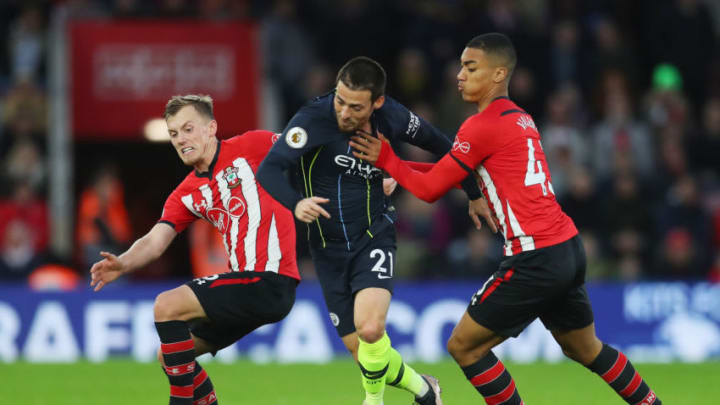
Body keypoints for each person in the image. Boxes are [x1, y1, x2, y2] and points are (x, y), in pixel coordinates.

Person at [350, 33, 662, 405]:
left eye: (470, 67)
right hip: (566, 247)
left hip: (535, 257)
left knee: (464, 346)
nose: (459, 76)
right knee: (586, 349)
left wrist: (388, 159)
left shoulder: (480, 126)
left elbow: (431, 189)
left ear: (499, 74)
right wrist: (396, 170)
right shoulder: (520, 119)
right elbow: (454, 170)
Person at [257, 56, 494, 405]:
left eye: (355, 106)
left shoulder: (393, 117)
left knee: (370, 330)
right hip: (326, 249)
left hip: (373, 235)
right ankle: (425, 389)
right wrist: (295, 203)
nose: (344, 112)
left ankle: (373, 401)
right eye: (340, 100)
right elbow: (270, 170)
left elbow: (445, 146)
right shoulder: (311, 120)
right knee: (364, 353)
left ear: (377, 102)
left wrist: (473, 194)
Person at [89, 95, 300, 405]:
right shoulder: (186, 192)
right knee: (170, 355)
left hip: (270, 277)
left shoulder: (252, 146)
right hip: (246, 285)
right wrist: (123, 263)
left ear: (211, 127)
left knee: (166, 305)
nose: (180, 139)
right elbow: (155, 240)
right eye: (174, 133)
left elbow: (306, 144)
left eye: (188, 129)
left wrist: (375, 171)